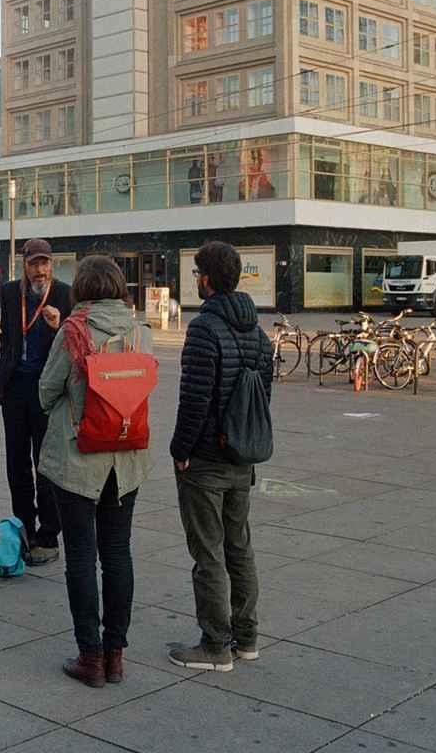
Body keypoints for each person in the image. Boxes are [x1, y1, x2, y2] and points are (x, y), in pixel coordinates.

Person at [38, 255, 153, 688]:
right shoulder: (140, 331)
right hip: (126, 458)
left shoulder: (73, 330)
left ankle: (90, 657)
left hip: (78, 458)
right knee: (118, 554)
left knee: (82, 557)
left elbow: (47, 390)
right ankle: (115, 655)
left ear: (81, 289)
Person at [169, 241, 271, 672]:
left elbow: (194, 400)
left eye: (197, 273)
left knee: (208, 553)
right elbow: (263, 398)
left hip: (207, 460)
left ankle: (215, 645)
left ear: (207, 279)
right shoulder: (258, 332)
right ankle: (246, 638)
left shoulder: (204, 329)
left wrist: (180, 450)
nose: (196, 280)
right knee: (239, 547)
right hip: (242, 456)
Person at [0, 237, 73, 565]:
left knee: (46, 462)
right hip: (16, 386)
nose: (40, 270)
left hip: (47, 390)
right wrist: (4, 368)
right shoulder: (11, 293)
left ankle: (49, 533)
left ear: (52, 264)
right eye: (34, 264)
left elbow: (73, 343)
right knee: (17, 462)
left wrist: (57, 326)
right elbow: (6, 335)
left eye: (45, 263)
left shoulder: (65, 294)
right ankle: (24, 527)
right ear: (24, 265)